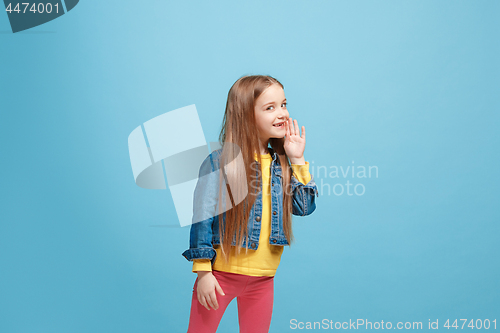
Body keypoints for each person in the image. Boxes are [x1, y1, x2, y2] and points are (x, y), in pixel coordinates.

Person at [182, 75, 319, 333]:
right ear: (246, 114)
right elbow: (202, 216)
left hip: (264, 279)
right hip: (220, 275)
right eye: (270, 108)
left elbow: (304, 207)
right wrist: (203, 272)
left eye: (284, 104)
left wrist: (298, 160)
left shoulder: (282, 164)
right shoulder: (220, 161)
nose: (282, 114)